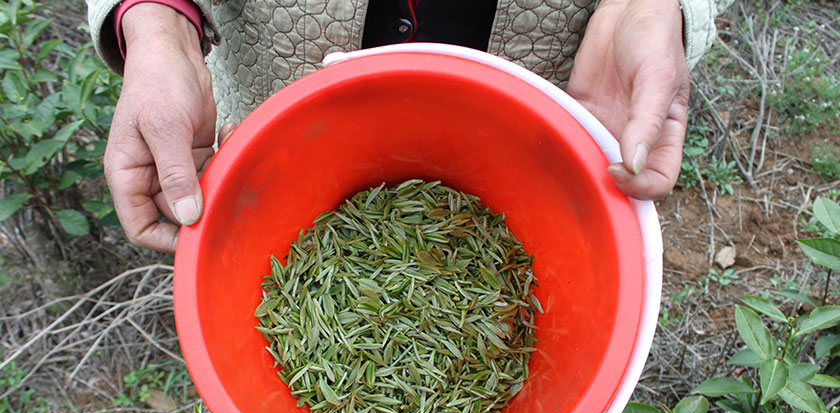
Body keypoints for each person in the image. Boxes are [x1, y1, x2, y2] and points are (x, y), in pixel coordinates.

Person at [86, 0, 731, 253]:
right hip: (278, 102)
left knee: (515, 255)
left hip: (546, 95)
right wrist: (155, 19)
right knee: (284, 263)